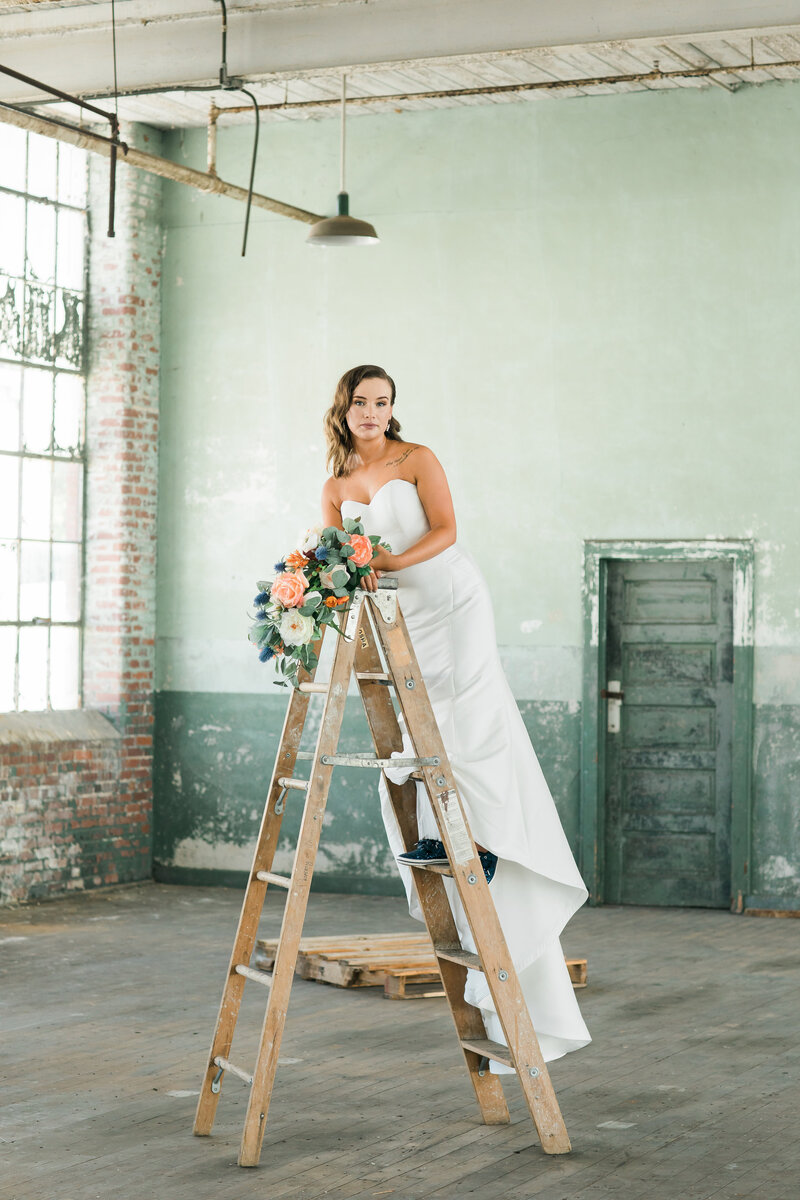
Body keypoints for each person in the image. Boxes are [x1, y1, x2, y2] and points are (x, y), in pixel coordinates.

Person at [320, 364, 591, 1068]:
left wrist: (393, 562)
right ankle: (443, 834)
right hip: (398, 614)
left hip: (450, 598)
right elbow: (336, 558)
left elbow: (447, 530)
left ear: (392, 410)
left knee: (468, 715)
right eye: (361, 403)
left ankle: (491, 837)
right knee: (417, 729)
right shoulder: (335, 485)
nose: (372, 413)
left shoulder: (418, 460)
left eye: (383, 403)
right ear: (344, 409)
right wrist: (350, 576)